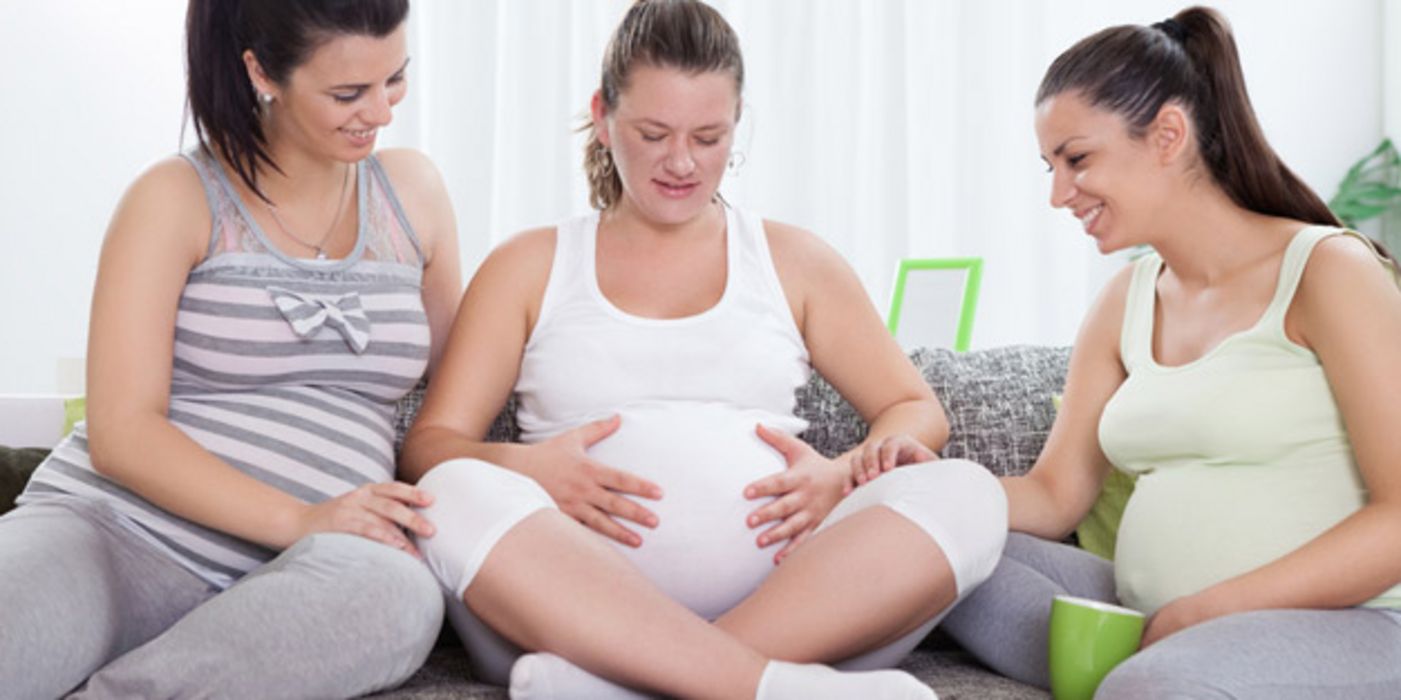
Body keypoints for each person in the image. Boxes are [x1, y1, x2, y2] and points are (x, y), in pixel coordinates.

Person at [399, 1, 1006, 698]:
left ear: (737, 122)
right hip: (562, 611)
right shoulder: (530, 264)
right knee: (449, 495)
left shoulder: (794, 261)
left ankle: (631, 685)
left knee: (969, 494)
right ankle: (761, 687)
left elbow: (911, 407)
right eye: (652, 133)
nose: (681, 162)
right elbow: (431, 445)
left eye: (709, 136)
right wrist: (529, 467)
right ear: (602, 116)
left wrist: (841, 473)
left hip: (786, 605)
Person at [933, 6, 1401, 698]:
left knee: (1150, 688)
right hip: (1152, 617)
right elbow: (1054, 494)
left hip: (1342, 620)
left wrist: (1204, 611)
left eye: (1077, 159)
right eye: (1049, 167)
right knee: (929, 555)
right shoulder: (1125, 297)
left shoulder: (1328, 271)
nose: (1059, 194)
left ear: (1168, 135)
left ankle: (1145, 674)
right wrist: (919, 490)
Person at [0, 1, 462, 697]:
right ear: (260, 73)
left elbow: (460, 398)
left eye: (394, 79)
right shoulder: (176, 196)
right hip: (114, 534)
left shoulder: (413, 194)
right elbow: (122, 434)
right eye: (347, 93)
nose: (381, 111)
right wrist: (299, 515)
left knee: (399, 596)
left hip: (320, 566)